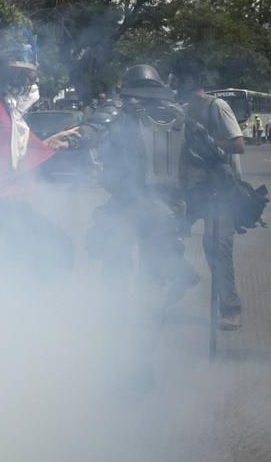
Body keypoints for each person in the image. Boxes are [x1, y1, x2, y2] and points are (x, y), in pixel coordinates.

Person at [75, 65, 198, 306]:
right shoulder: (179, 115)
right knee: (157, 263)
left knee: (113, 251)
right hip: (169, 204)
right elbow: (208, 154)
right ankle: (158, 293)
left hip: (130, 201)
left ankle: (121, 306)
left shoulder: (122, 109)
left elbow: (97, 125)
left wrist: (74, 137)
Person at [0, 44, 79, 274]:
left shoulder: (8, 109)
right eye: (25, 77)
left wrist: (58, 137)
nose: (30, 84)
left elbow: (19, 146)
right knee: (45, 255)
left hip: (7, 202)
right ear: (8, 75)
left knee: (44, 257)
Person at [172, 57, 246, 331]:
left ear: (190, 80)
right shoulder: (180, 111)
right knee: (165, 231)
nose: (173, 84)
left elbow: (238, 144)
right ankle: (183, 277)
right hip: (191, 192)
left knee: (217, 248)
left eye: (177, 79)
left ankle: (230, 309)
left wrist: (208, 142)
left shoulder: (217, 107)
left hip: (220, 192)